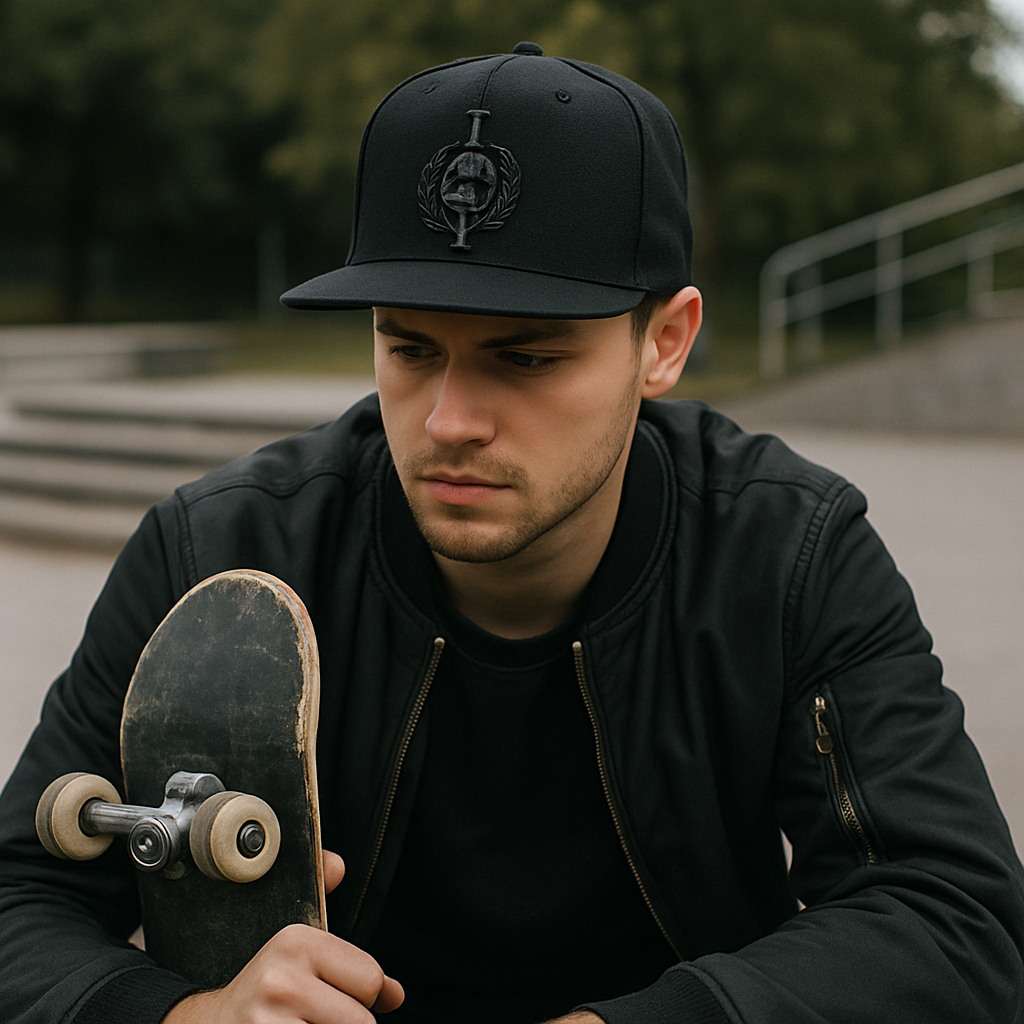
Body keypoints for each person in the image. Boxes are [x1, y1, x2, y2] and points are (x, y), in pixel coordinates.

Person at [1, 42, 1022, 1024]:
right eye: (407, 346)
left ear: (664, 341)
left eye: (524, 358)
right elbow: (21, 897)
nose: (449, 420)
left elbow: (954, 921)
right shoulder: (217, 551)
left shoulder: (787, 553)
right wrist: (181, 1013)